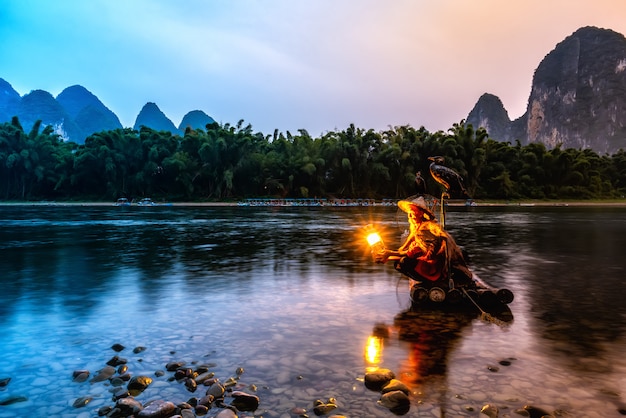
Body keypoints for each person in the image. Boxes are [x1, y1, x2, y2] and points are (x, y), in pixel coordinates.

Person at [376, 197, 472, 288]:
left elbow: (414, 253)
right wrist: (388, 256)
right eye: (408, 213)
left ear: (421, 213)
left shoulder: (425, 229)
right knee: (399, 261)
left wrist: (389, 253)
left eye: (412, 212)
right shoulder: (417, 228)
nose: (409, 216)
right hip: (432, 262)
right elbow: (409, 246)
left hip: (438, 267)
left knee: (403, 263)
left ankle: (432, 281)